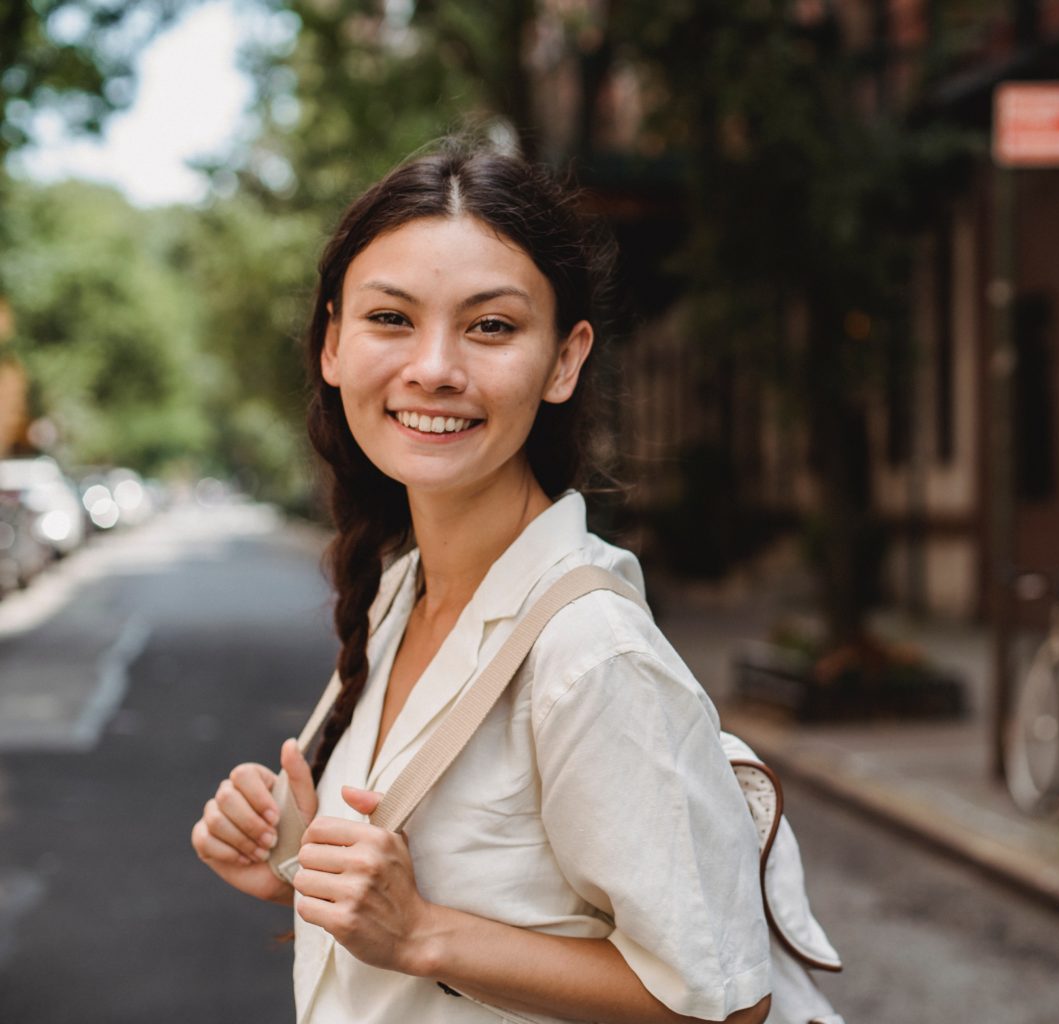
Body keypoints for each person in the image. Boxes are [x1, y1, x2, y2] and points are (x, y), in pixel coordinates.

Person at [190, 140, 774, 1024]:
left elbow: (725, 1004)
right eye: (390, 319)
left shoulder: (590, 655)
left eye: (490, 326)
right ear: (332, 343)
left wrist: (424, 933)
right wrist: (297, 866)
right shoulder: (402, 591)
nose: (435, 367)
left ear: (565, 362)